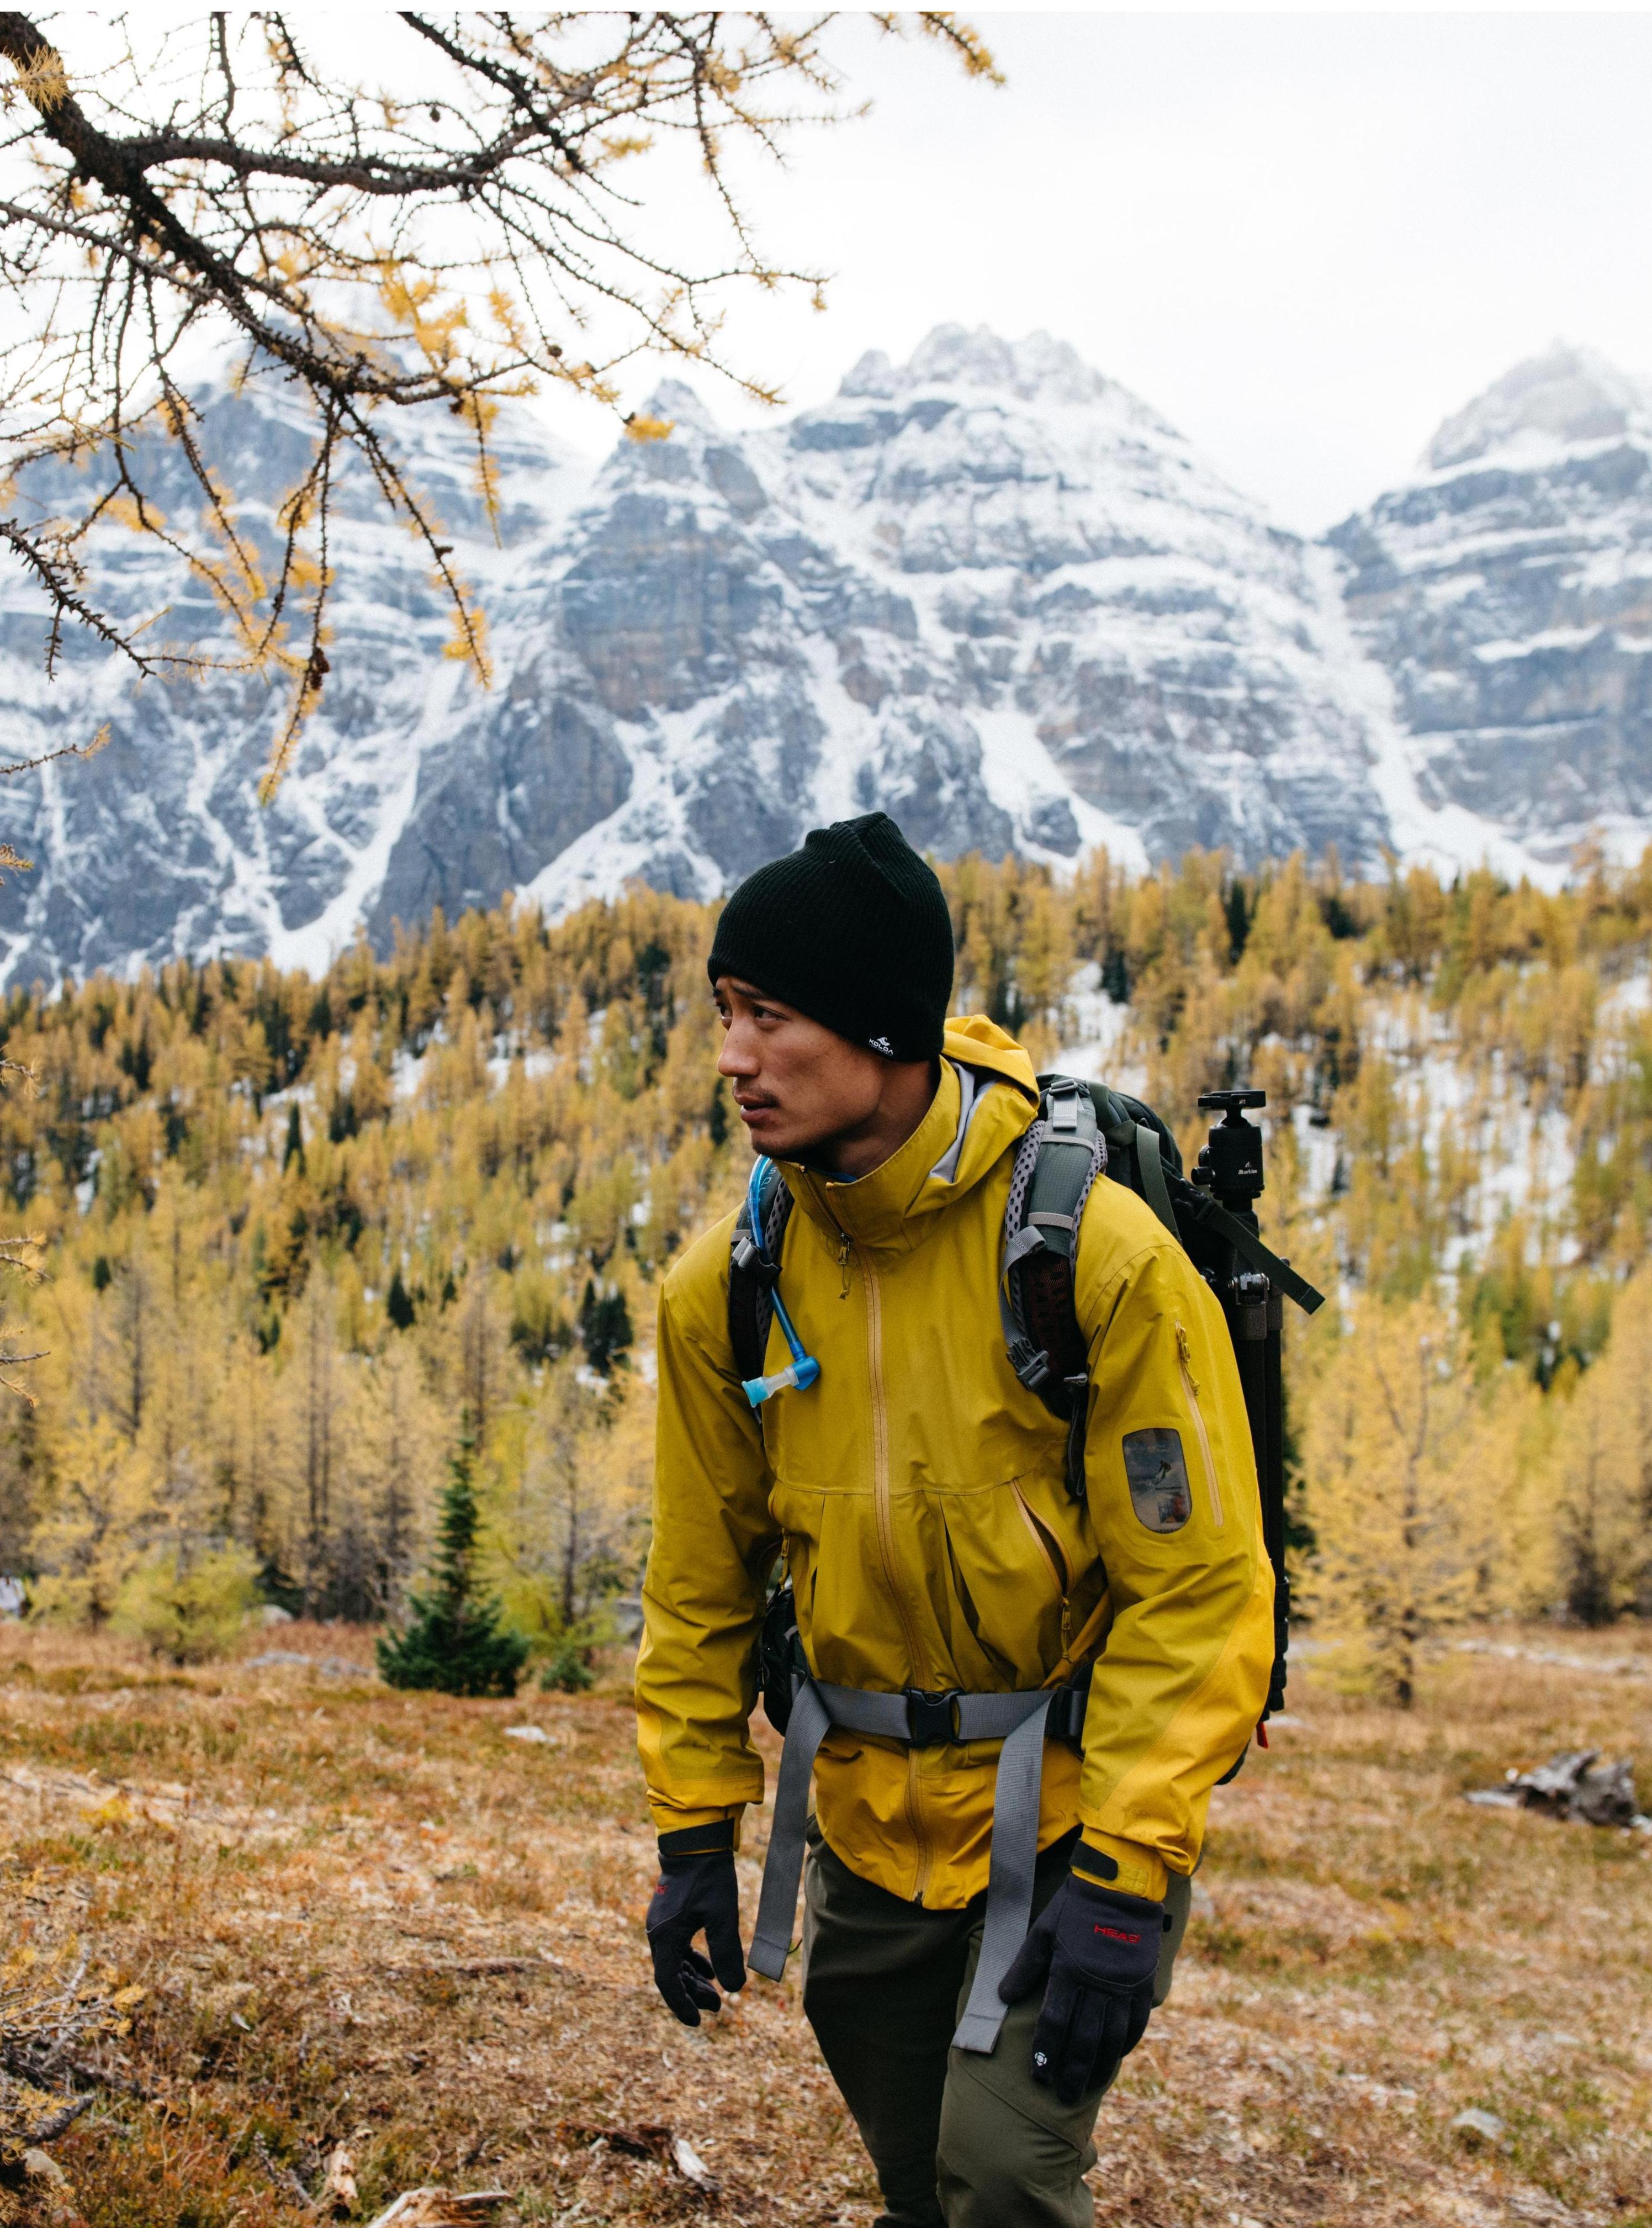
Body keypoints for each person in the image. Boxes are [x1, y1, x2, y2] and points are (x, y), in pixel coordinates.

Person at [635, 812, 1272, 2228]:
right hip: (860, 1822)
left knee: (1002, 2176)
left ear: (879, 1028)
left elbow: (1201, 1588)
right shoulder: (727, 1287)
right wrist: (692, 1832)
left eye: (768, 1016)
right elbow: (698, 1583)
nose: (730, 1057)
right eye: (725, 1014)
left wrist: (1128, 1871)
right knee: (921, 2182)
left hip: (1067, 1822)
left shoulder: (1091, 1260)